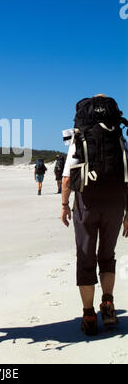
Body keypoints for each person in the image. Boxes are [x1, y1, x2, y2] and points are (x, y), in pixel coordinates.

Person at [61, 95, 128, 336]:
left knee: (85, 257)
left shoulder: (81, 136)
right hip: (115, 203)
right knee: (107, 256)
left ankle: (89, 315)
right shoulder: (118, 136)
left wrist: (64, 204)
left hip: (86, 203)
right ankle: (108, 304)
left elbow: (68, 176)